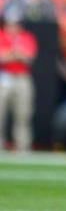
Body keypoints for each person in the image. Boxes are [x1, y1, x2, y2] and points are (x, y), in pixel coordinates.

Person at [0, 10, 37, 151]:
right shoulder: (1, 36)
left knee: (23, 115)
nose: (13, 27)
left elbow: (29, 57)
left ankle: (23, 148)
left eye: (16, 24)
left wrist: (11, 54)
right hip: (4, 77)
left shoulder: (26, 37)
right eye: (10, 23)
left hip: (21, 78)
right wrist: (15, 54)